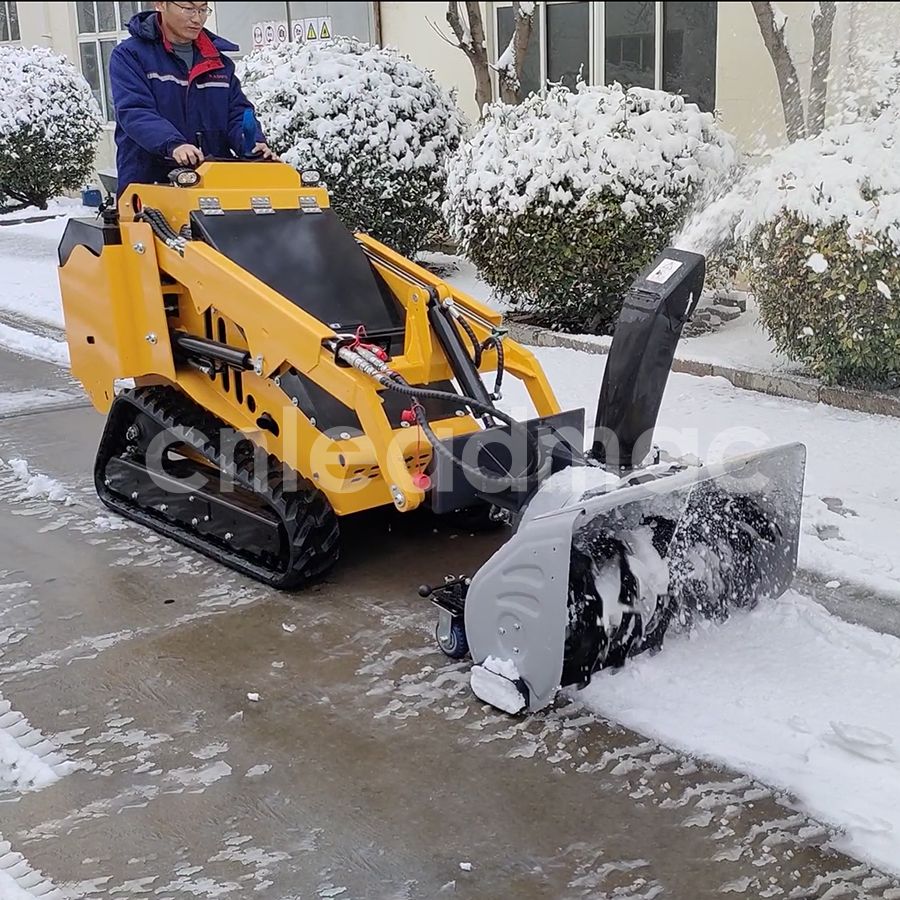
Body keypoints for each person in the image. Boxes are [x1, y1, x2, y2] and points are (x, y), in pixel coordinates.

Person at [108, 2, 274, 194]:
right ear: (160, 5)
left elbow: (237, 113)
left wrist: (252, 143)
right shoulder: (130, 56)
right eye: (188, 9)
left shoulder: (218, 62)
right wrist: (174, 145)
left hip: (213, 188)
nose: (197, 18)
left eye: (203, 10)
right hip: (150, 185)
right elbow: (135, 111)